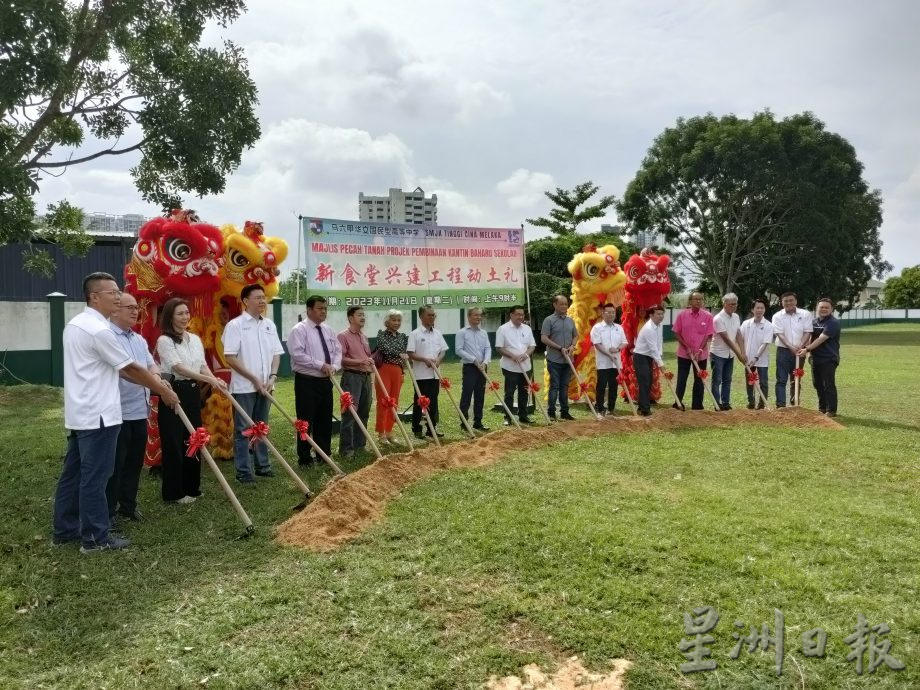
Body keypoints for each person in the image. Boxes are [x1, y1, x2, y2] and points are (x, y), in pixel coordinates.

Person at [53, 272, 178, 554]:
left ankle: (64, 530)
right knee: (95, 477)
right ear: (94, 297)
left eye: (118, 291)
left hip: (81, 412)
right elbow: (130, 369)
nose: (118, 297)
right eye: (112, 293)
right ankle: (95, 539)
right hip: (100, 415)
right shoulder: (99, 330)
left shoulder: (76, 324)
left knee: (73, 474)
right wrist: (164, 391)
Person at [157, 298, 227, 503]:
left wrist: (214, 380)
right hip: (173, 392)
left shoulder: (195, 339)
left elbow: (202, 365)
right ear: (170, 317)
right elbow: (178, 367)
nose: (185, 317)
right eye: (180, 313)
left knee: (194, 439)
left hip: (192, 393)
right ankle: (174, 493)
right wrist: (207, 379)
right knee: (174, 443)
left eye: (187, 312)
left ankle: (192, 487)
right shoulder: (165, 341)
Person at [106, 291, 160, 522]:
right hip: (117, 411)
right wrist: (154, 382)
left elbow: (151, 366)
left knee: (134, 463)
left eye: (136, 308)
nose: (135, 311)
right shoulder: (107, 336)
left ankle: (128, 506)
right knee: (114, 466)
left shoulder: (138, 339)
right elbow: (127, 372)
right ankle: (108, 512)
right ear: (115, 309)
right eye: (129, 307)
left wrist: (158, 378)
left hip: (140, 410)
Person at [222, 284, 284, 483]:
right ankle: (244, 472)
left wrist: (272, 377)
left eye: (263, 297)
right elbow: (230, 357)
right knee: (243, 430)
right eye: (257, 297)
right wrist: (254, 379)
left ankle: (262, 466)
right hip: (244, 388)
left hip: (266, 386)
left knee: (262, 427)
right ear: (245, 301)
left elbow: (276, 353)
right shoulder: (235, 325)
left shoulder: (269, 325)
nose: (262, 301)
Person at [288, 295, 342, 464]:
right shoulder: (299, 330)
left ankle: (323, 454)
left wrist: (334, 366)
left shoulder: (328, 330)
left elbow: (337, 351)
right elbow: (297, 355)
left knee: (324, 419)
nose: (323, 311)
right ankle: (304, 457)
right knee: (306, 421)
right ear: (309, 310)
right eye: (320, 308)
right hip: (307, 382)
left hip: (326, 381)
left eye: (325, 308)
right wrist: (320, 365)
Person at [337, 306, 374, 458]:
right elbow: (341, 359)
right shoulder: (343, 336)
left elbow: (367, 356)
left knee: (364, 412)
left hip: (365, 377)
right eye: (359, 315)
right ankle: (346, 449)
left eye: (364, 315)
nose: (363, 317)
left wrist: (368, 363)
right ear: (351, 318)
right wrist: (360, 361)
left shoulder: (363, 336)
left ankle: (360, 444)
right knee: (350, 413)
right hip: (352, 377)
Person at [408, 305, 448, 438]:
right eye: (429, 315)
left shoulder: (437, 333)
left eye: (433, 315)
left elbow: (443, 350)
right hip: (421, 375)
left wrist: (438, 359)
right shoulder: (415, 334)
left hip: (435, 374)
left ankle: (432, 429)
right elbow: (411, 353)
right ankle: (416, 428)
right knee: (420, 402)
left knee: (433, 403)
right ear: (421, 317)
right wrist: (424, 359)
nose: (432, 317)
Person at [672, 292, 715, 410]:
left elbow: (708, 335)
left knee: (700, 379)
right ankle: (678, 404)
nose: (698, 301)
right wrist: (687, 348)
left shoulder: (708, 316)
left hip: (701, 355)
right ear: (690, 301)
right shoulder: (682, 315)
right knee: (682, 378)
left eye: (700, 299)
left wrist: (699, 350)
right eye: (696, 299)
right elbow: (676, 332)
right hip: (684, 354)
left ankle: (697, 405)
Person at [798, 298, 841, 416]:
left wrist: (807, 349)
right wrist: (802, 346)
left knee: (828, 384)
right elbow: (809, 336)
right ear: (817, 308)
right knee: (817, 384)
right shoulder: (814, 322)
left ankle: (831, 410)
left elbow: (821, 339)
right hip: (815, 359)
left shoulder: (833, 323)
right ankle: (822, 408)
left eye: (827, 307)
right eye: (821, 307)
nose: (824, 309)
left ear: (831, 309)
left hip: (829, 359)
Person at [495, 305, 537, 425]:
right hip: (510, 366)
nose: (520, 317)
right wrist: (512, 356)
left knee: (524, 392)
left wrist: (526, 355)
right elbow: (499, 348)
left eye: (522, 315)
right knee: (509, 392)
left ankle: (523, 415)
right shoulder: (503, 329)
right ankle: (508, 417)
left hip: (526, 366)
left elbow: (532, 346)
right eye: (518, 314)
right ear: (511, 315)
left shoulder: (527, 329)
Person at [373, 310, 409, 445]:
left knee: (394, 401)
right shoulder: (381, 334)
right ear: (387, 321)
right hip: (384, 370)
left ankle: (389, 431)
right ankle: (381, 433)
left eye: (399, 320)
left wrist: (401, 355)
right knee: (383, 401)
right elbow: (385, 349)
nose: (396, 323)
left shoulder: (403, 337)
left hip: (398, 371)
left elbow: (405, 352)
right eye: (394, 320)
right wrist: (399, 353)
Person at [772, 292, 813, 407]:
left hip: (800, 351)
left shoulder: (805, 314)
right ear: (782, 302)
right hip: (783, 351)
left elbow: (808, 331)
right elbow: (780, 334)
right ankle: (780, 404)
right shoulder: (777, 316)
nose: (788, 303)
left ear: (795, 301)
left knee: (796, 378)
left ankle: (794, 402)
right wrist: (790, 346)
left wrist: (800, 345)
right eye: (785, 301)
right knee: (781, 378)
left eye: (791, 300)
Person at [541, 294, 578, 420]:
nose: (564, 306)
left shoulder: (570, 320)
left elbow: (575, 336)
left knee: (564, 386)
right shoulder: (549, 320)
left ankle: (564, 411)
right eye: (561, 304)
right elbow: (544, 338)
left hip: (568, 360)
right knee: (555, 386)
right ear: (555, 305)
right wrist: (559, 348)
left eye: (566, 304)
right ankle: (551, 412)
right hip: (554, 359)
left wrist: (572, 346)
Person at [455, 307, 492, 431]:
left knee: (480, 395)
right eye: (475, 315)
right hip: (470, 367)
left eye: (480, 315)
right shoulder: (462, 332)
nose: (478, 318)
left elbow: (488, 348)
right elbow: (458, 350)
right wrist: (473, 359)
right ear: (469, 317)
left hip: (482, 368)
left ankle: (478, 421)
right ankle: (464, 422)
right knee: (467, 394)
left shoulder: (483, 333)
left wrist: (485, 362)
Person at [590, 303, 627, 416]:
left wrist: (617, 349)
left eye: (613, 312)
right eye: (608, 312)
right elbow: (597, 344)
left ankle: (611, 408)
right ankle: (600, 408)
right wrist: (608, 354)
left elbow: (624, 342)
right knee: (601, 385)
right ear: (603, 313)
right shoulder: (597, 328)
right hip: (603, 363)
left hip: (616, 363)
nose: (611, 314)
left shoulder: (619, 328)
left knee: (614, 386)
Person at [710, 293, 744, 411]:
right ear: (724, 304)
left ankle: (726, 403)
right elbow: (727, 340)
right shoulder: (718, 319)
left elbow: (738, 334)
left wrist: (743, 352)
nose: (734, 306)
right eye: (731, 304)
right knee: (717, 380)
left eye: (735, 304)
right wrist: (739, 355)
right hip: (718, 353)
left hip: (730, 354)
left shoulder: (736, 317)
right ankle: (716, 403)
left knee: (727, 379)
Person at [632, 306, 666, 416]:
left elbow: (659, 343)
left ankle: (642, 407)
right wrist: (661, 363)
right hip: (640, 357)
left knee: (648, 382)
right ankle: (645, 409)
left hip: (649, 357)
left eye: (662, 314)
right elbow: (653, 348)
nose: (661, 316)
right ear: (651, 315)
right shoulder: (648, 329)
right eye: (658, 314)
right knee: (644, 382)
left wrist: (659, 358)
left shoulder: (659, 325)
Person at [739, 299, 773, 409]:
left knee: (763, 382)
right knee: (750, 381)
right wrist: (742, 354)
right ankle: (751, 402)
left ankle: (762, 403)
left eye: (762, 308)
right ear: (752, 310)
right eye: (757, 308)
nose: (759, 310)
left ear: (765, 310)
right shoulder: (746, 323)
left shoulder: (768, 325)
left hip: (761, 359)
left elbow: (765, 343)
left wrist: (756, 357)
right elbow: (741, 340)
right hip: (748, 359)